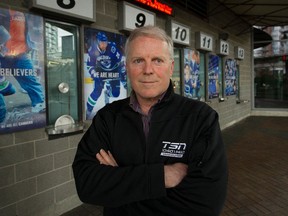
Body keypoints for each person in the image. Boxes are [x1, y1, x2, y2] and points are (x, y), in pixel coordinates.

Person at [73, 25, 228, 216]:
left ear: (171, 67)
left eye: (157, 60)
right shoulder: (108, 118)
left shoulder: (200, 118)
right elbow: (87, 185)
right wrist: (161, 177)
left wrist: (120, 183)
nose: (148, 70)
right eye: (138, 60)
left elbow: (206, 204)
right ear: (127, 67)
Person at [0, 8, 45, 120]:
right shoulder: (4, 10)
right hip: (3, 54)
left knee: (30, 78)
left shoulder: (22, 13)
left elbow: (25, 31)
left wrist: (28, 45)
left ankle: (38, 104)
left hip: (20, 53)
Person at [86, 31, 126, 119]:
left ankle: (107, 93)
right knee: (96, 92)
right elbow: (90, 66)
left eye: (106, 42)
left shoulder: (112, 48)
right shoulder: (93, 50)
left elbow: (120, 62)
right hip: (101, 73)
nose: (104, 44)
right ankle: (88, 110)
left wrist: (122, 73)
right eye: (102, 42)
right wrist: (95, 75)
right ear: (98, 42)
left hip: (113, 71)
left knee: (116, 94)